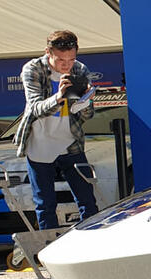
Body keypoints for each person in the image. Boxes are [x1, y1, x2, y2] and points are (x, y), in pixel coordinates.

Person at [13, 30, 99, 230]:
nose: (66, 65)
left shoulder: (79, 69)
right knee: (45, 204)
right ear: (48, 52)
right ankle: (49, 250)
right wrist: (59, 96)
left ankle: (91, 245)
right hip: (40, 144)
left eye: (71, 59)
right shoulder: (33, 69)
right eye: (61, 59)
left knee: (87, 199)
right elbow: (35, 108)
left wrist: (86, 101)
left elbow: (87, 116)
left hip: (71, 143)